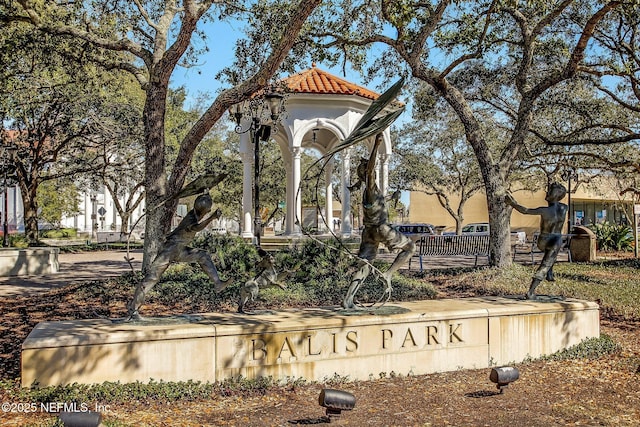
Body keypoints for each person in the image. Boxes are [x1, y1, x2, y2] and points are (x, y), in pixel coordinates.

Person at [127, 193, 232, 320]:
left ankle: (218, 283)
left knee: (203, 255)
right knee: (152, 278)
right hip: (169, 250)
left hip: (180, 250)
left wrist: (206, 191)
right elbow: (197, 228)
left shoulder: (194, 214)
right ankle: (133, 309)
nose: (207, 213)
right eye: (207, 211)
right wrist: (212, 218)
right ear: (206, 211)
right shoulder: (191, 219)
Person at [343, 134, 415, 309]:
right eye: (370, 170)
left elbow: (377, 207)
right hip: (381, 229)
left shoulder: (370, 193)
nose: (372, 172)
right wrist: (376, 145)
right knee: (410, 247)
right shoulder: (370, 186)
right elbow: (369, 170)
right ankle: (389, 274)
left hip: (368, 231)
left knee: (365, 266)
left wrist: (392, 197)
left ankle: (348, 300)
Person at [505, 183, 568, 299]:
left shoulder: (544, 210)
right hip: (555, 240)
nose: (547, 193)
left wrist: (513, 204)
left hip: (544, 240)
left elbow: (525, 210)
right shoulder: (564, 208)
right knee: (547, 261)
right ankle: (535, 287)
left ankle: (542, 280)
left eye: (550, 191)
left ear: (555, 195)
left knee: (547, 262)